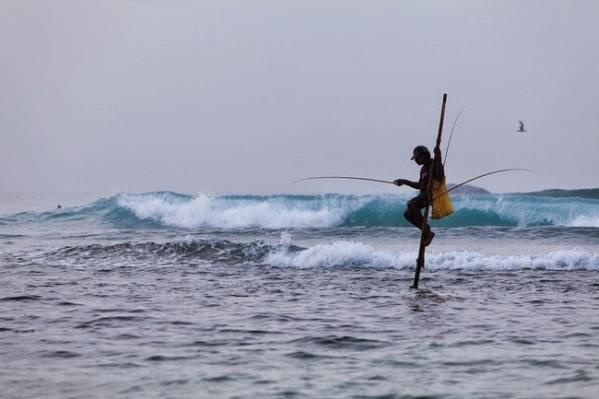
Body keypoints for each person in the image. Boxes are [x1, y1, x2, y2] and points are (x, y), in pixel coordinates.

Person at [393, 145, 444, 246]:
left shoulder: (434, 163)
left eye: (417, 158)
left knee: (411, 203)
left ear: (424, 155)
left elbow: (439, 176)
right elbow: (420, 185)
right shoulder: (423, 169)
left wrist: (439, 155)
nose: (416, 160)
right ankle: (426, 231)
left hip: (432, 194)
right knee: (407, 214)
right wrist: (404, 181)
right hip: (424, 194)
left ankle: (426, 230)